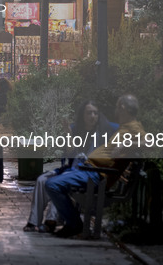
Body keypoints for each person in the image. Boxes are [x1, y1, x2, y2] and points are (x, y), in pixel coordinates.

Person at [45, 94, 145, 237]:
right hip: (91, 170)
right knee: (53, 181)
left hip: (96, 175)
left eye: (117, 107)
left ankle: (74, 224)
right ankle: (72, 223)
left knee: (52, 184)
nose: (115, 111)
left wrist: (126, 144)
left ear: (123, 108)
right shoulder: (125, 127)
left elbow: (150, 143)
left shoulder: (134, 127)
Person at [23, 100, 118, 233]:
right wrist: (68, 134)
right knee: (41, 180)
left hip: (88, 172)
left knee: (58, 183)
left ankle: (52, 220)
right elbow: (70, 154)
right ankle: (33, 222)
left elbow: (126, 131)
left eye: (95, 113)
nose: (92, 116)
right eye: (89, 113)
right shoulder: (75, 129)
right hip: (72, 168)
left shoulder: (106, 129)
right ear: (82, 115)